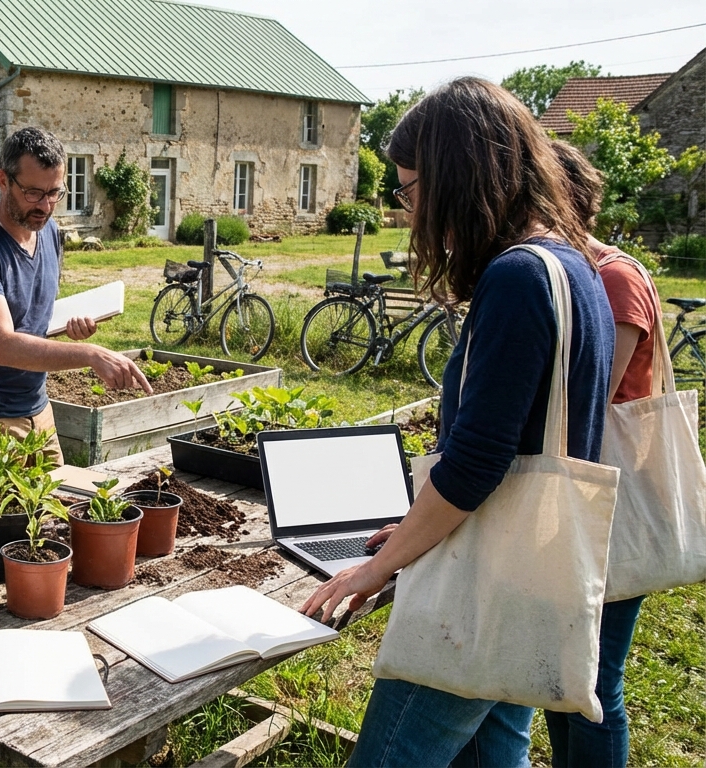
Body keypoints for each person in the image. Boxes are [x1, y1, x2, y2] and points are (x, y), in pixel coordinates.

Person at [300, 77, 615, 767]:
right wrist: (414, 530)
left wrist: (377, 567)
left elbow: (477, 462)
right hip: (532, 574)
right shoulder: (573, 266)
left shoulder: (516, 278)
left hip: (482, 591)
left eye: (411, 191)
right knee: (496, 752)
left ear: (457, 180)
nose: (408, 212)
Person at [0, 126, 149, 465]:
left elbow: (29, 315)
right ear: (3, 181)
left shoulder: (49, 232)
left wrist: (68, 323)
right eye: (33, 193)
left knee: (54, 515)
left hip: (37, 408)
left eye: (55, 193)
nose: (45, 206)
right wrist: (90, 354)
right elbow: (4, 346)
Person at [545, 139, 654, 768]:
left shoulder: (611, 276)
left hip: (609, 501)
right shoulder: (578, 271)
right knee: (566, 673)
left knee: (592, 681)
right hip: (579, 495)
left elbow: (587, 398)